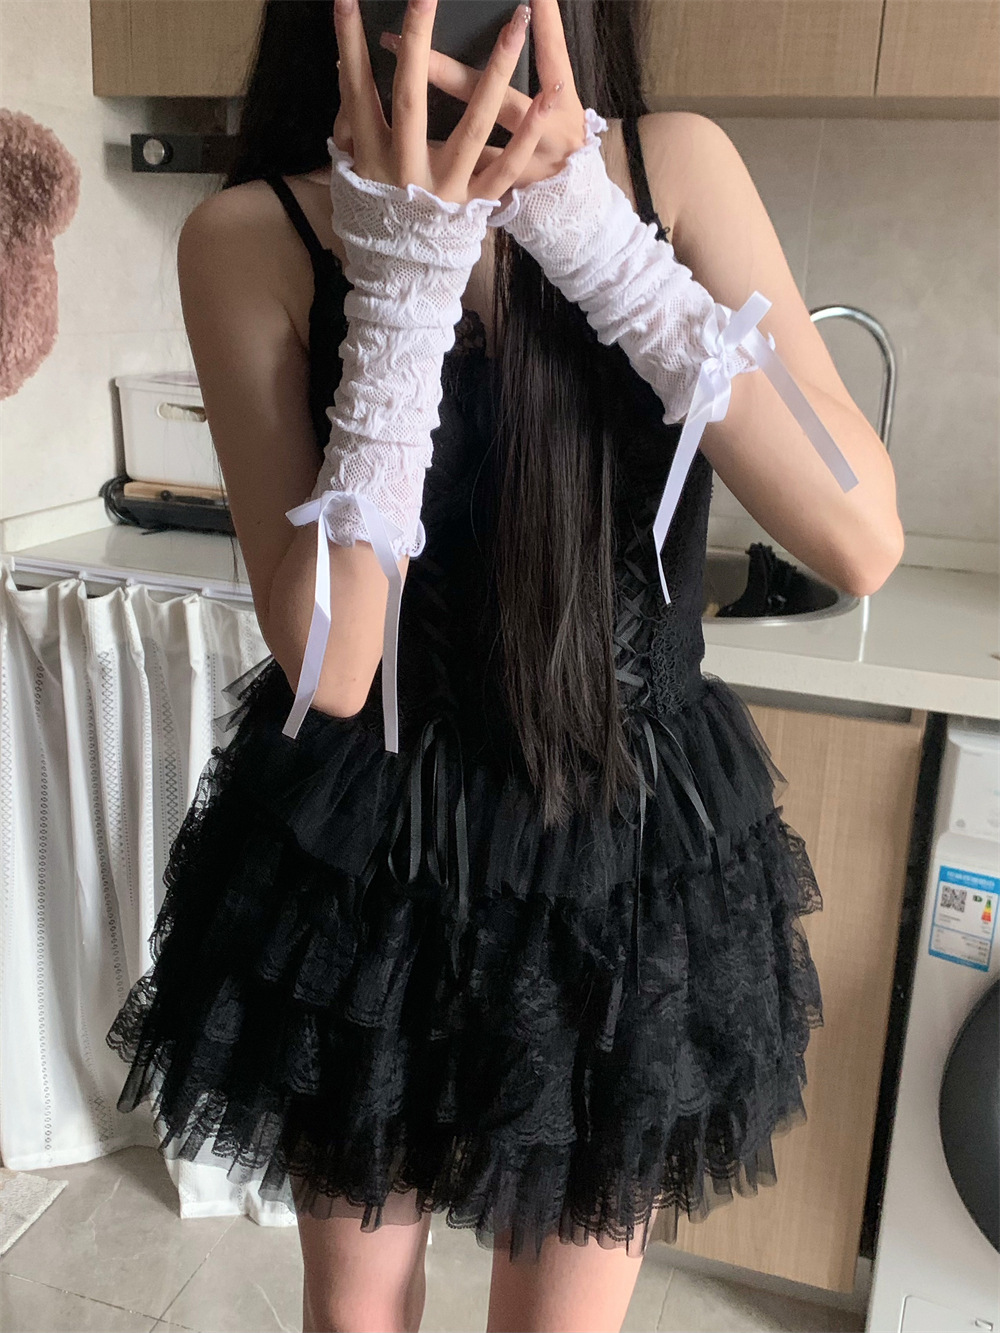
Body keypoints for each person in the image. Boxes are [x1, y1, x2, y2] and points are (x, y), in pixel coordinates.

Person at [106, 1, 904, 1330]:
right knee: (358, 1313)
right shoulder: (252, 235)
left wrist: (603, 244)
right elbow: (335, 669)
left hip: (625, 854)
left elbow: (859, 539)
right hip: (366, 858)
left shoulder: (671, 170)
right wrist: (405, 280)